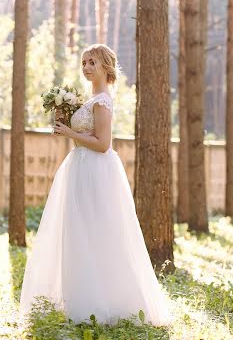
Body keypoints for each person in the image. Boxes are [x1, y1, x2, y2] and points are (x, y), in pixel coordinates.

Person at [19, 43, 173, 327]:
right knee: (77, 231)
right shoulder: (88, 100)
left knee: (98, 231)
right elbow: (84, 134)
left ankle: (108, 302)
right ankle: (78, 297)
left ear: (106, 66)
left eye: (92, 62)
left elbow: (103, 144)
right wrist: (64, 120)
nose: (87, 67)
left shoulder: (103, 100)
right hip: (79, 167)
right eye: (84, 62)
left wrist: (68, 133)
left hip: (96, 170)